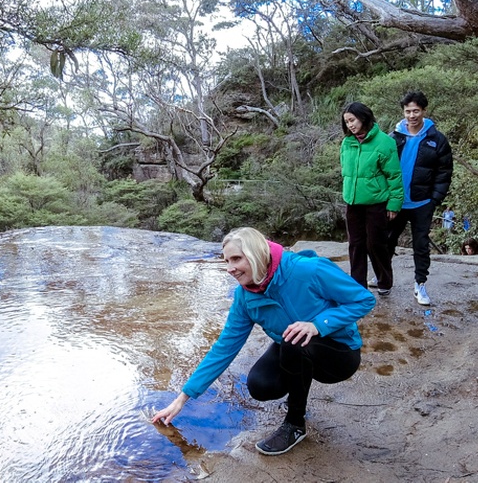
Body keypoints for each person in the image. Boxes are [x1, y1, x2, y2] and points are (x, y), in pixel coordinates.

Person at [152, 227, 376, 456]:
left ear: (256, 254)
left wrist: (318, 325)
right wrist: (182, 398)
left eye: (236, 259)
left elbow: (363, 300)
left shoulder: (308, 269)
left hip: (339, 353)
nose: (230, 268)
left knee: (294, 343)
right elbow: (224, 348)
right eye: (227, 261)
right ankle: (298, 387)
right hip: (293, 345)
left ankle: (295, 425)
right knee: (260, 385)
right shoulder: (244, 296)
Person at [385, 91, 453, 306]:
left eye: (416, 111)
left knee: (421, 245)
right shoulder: (393, 137)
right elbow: (382, 168)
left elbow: (444, 172)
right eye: (408, 111)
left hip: (422, 202)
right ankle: (382, 276)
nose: (411, 115)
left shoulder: (437, 139)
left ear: (424, 111)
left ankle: (420, 283)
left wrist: (435, 199)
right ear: (403, 112)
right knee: (387, 240)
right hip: (396, 201)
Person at [339, 102, 403, 295]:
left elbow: (394, 176)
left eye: (352, 120)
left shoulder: (385, 142)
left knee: (376, 243)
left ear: (363, 117)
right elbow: (346, 172)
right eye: (347, 122)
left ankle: (384, 281)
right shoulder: (347, 143)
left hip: (376, 203)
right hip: (353, 202)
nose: (350, 125)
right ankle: (358, 286)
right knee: (355, 244)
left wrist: (394, 204)